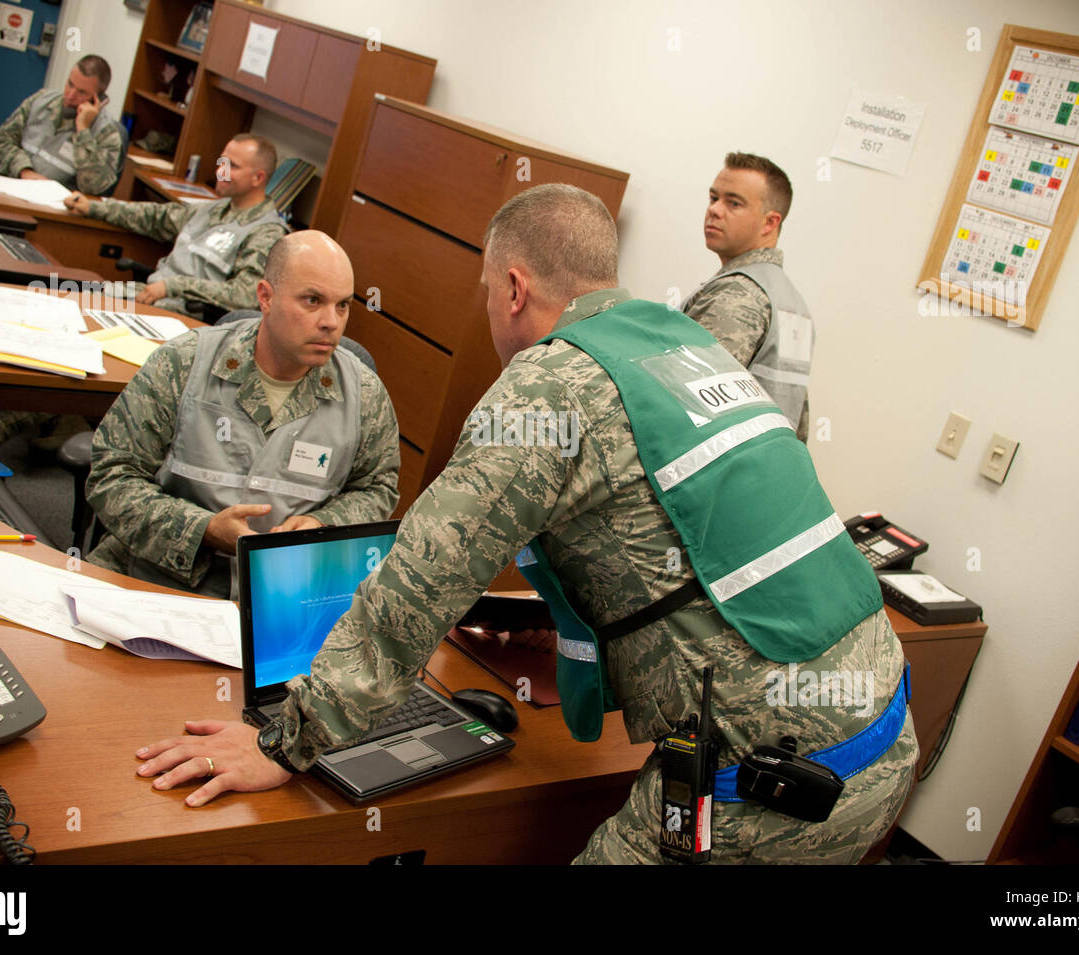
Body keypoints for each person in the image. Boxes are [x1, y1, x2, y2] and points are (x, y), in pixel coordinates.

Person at [134, 185, 916, 865]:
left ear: (513, 287)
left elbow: (417, 580)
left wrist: (287, 738)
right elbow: (679, 541)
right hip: (881, 733)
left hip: (765, 783)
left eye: (484, 289)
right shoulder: (686, 346)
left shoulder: (551, 386)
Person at [84, 230, 400, 599]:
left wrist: (321, 524)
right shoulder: (184, 363)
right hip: (157, 577)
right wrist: (202, 529)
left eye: (342, 305)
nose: (331, 321)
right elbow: (112, 474)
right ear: (265, 297)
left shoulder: (364, 393)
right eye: (312, 301)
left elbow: (376, 489)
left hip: (278, 599)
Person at [64, 135, 287, 314]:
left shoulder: (265, 232)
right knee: (65, 295)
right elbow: (154, 216)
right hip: (148, 298)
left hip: (179, 316)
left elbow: (246, 295)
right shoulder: (213, 209)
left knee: (77, 304)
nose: (221, 171)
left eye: (233, 167)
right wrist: (94, 207)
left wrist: (176, 286)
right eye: (222, 163)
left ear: (258, 178)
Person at [681, 152, 813, 442]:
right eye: (713, 197)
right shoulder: (791, 302)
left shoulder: (738, 294)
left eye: (733, 203)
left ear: (770, 222)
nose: (714, 210)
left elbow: (682, 407)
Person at [0, 55, 125, 196]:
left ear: (99, 98)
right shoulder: (41, 101)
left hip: (49, 205)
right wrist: (24, 171)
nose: (70, 95)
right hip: (6, 185)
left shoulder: (107, 134)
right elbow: (1, 140)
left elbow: (93, 187)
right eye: (70, 84)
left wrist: (83, 131)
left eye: (81, 92)